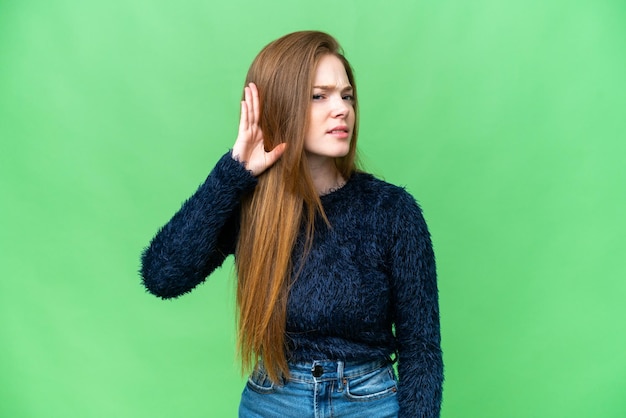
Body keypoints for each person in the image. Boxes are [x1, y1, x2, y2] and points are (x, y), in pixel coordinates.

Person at [141, 30, 443, 417]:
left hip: (369, 403)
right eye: (319, 96)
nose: (341, 109)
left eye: (346, 95)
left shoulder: (392, 211)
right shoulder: (250, 206)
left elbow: (422, 348)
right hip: (273, 402)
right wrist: (232, 173)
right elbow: (163, 275)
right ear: (282, 104)